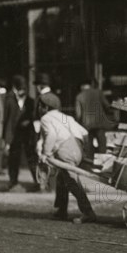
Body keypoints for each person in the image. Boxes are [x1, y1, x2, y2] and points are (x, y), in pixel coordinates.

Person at [38, 92, 97, 224]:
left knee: (72, 181)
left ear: (45, 108)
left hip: (66, 151)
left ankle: (88, 212)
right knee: (62, 178)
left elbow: (52, 135)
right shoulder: (65, 117)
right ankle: (61, 210)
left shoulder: (46, 118)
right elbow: (85, 132)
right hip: (78, 149)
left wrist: (45, 153)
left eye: (40, 106)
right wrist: (83, 152)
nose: (39, 109)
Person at [3, 75, 36, 191]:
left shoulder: (31, 102)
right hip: (14, 135)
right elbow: (7, 120)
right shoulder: (9, 101)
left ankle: (37, 181)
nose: (22, 92)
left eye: (24, 90)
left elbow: (34, 118)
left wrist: (29, 122)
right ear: (15, 89)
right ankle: (13, 181)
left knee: (32, 158)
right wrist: (7, 139)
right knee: (13, 159)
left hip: (28, 135)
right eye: (20, 90)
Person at [75, 79, 113, 156]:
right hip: (99, 122)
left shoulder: (79, 96)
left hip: (87, 124)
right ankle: (102, 159)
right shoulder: (98, 93)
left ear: (82, 86)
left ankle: (90, 160)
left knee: (89, 144)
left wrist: (78, 123)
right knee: (102, 143)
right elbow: (107, 105)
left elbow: (78, 114)